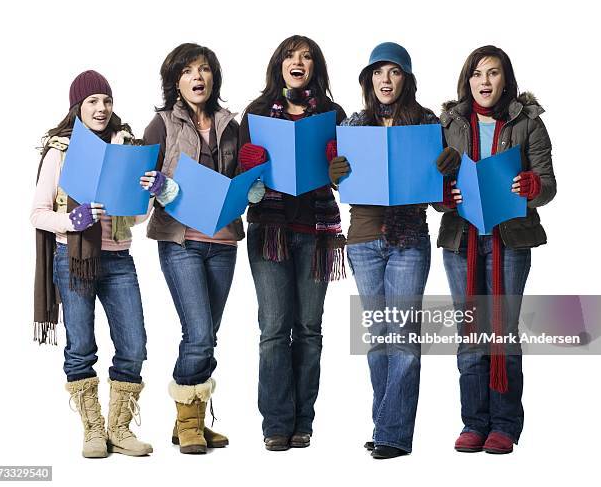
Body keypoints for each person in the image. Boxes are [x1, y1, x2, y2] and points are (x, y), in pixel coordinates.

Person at [327, 42, 460, 459]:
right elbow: (342, 184)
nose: (386, 80)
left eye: (395, 72)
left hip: (408, 241)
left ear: (406, 78)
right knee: (377, 336)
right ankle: (385, 422)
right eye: (378, 72)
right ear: (369, 79)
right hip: (364, 239)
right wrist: (335, 174)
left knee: (402, 335)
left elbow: (440, 199)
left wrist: (445, 174)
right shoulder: (354, 123)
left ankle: (393, 434)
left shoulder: (426, 123)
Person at [436, 45, 556, 454]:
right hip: (461, 239)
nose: (484, 82)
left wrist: (532, 186)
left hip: (510, 238)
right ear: (467, 80)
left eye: (493, 73)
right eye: (477, 74)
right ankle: (474, 422)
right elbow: (433, 185)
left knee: (502, 329)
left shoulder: (528, 123)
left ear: (506, 79)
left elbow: (548, 184)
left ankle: (504, 424)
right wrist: (445, 195)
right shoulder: (449, 122)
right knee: (471, 332)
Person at [31, 70, 153, 458]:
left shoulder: (126, 148)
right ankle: (93, 430)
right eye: (92, 102)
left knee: (133, 345)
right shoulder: (60, 151)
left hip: (118, 257)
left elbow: (135, 218)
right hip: (73, 259)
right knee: (81, 346)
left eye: (107, 101)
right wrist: (72, 220)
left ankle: (120, 428)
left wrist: (146, 195)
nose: (102, 109)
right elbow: (37, 213)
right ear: (77, 107)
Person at [238, 35, 346, 451]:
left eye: (306, 57)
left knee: (309, 329)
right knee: (273, 328)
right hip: (270, 233)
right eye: (290, 55)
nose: (297, 62)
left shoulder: (335, 114)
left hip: (317, 234)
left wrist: (340, 166)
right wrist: (250, 168)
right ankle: (276, 423)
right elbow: (242, 185)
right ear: (279, 64)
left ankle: (304, 420)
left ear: (315, 67)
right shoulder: (258, 112)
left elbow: (350, 179)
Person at [142, 43, 241, 454]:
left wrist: (247, 189)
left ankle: (193, 420)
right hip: (181, 240)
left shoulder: (230, 124)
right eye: (187, 71)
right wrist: (159, 186)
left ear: (213, 77)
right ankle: (187, 422)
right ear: (176, 81)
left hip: (223, 241)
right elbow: (141, 178)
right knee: (198, 333)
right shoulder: (161, 124)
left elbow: (239, 173)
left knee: (208, 335)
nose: (197, 77)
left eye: (204, 69)